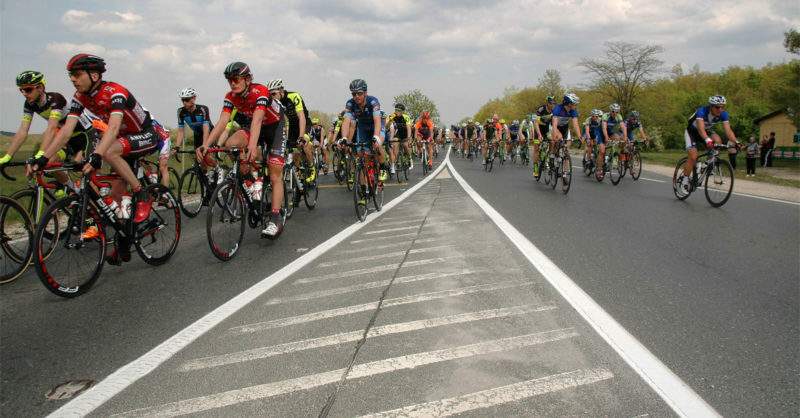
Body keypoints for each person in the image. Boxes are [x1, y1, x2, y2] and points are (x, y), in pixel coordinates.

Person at [195, 61, 287, 238]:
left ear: (247, 79)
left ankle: (275, 219)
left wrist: (252, 146)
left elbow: (258, 120)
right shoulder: (231, 96)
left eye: (236, 79)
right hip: (254, 127)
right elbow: (222, 121)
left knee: (275, 172)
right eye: (229, 80)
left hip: (274, 127)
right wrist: (206, 145)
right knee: (231, 144)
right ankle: (254, 181)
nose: (232, 83)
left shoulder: (260, 91)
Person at [2, 70, 92, 196]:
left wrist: (40, 154)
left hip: (85, 136)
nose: (24, 94)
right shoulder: (30, 104)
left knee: (83, 169)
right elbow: (23, 131)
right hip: (66, 138)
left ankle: (97, 206)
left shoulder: (55, 99)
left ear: (40, 87)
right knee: (50, 162)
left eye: (28, 90)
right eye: (21, 90)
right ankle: (71, 189)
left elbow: (51, 127)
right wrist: (7, 156)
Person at [340, 79, 389, 204]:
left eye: (359, 93)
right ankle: (364, 192)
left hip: (375, 125)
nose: (356, 96)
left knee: (377, 145)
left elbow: (377, 120)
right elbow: (346, 122)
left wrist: (376, 137)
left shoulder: (373, 101)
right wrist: (344, 138)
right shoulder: (350, 104)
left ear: (365, 93)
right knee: (362, 158)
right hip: (362, 127)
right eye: (354, 94)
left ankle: (383, 167)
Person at [678, 95, 738, 193]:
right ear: (711, 106)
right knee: (693, 156)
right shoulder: (702, 111)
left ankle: (708, 163)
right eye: (717, 107)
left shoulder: (723, 114)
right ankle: (684, 180)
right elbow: (701, 129)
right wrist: (707, 140)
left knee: (718, 140)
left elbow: (728, 131)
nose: (720, 109)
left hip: (706, 131)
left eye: (722, 107)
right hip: (692, 132)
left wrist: (736, 142)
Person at [266, 79, 316, 183]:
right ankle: (297, 173)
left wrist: (301, 136)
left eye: (274, 93)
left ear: (281, 90)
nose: (272, 97)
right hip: (293, 126)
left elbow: (301, 117)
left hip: (305, 123)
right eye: (270, 95)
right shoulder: (275, 102)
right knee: (293, 152)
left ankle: (312, 167)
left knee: (304, 144)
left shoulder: (293, 96)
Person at [174, 87, 220, 185]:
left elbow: (206, 127)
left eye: (187, 99)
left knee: (206, 155)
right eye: (183, 100)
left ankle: (218, 169)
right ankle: (207, 181)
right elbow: (181, 131)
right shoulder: (180, 112)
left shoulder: (203, 109)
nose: (184, 103)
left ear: (194, 98)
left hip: (209, 133)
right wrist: (176, 146)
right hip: (198, 135)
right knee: (200, 161)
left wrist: (204, 145)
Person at [387, 103, 413, 174]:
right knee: (395, 148)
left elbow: (408, 128)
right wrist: (389, 121)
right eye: (396, 110)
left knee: (405, 145)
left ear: (402, 111)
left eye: (399, 110)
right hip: (397, 134)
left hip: (405, 133)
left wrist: (409, 137)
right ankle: (393, 165)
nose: (397, 112)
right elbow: (387, 127)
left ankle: (410, 158)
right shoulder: (392, 116)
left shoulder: (406, 117)